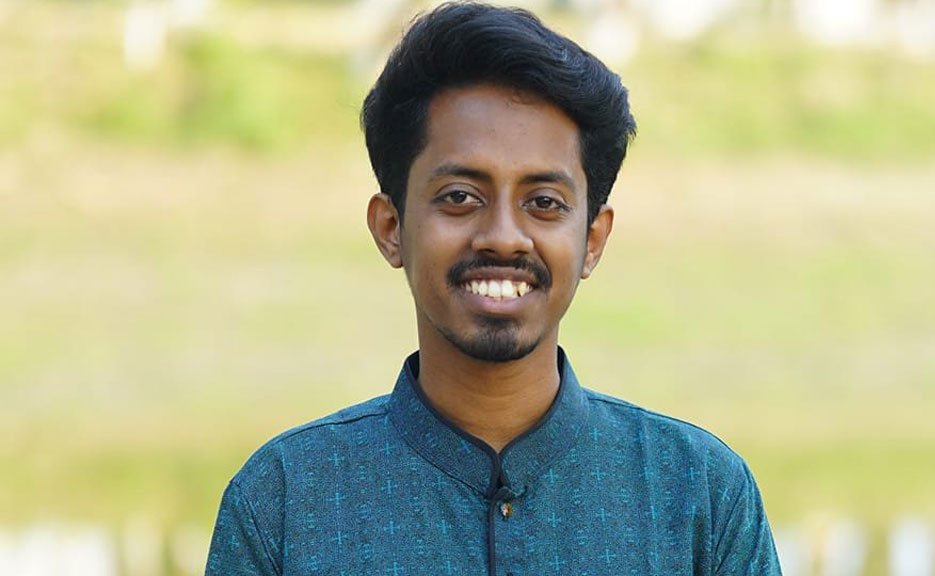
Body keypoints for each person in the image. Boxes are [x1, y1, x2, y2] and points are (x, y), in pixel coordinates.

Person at [204, 3, 781, 575]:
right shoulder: (284, 501)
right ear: (390, 227)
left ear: (593, 239)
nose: (504, 237)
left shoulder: (700, 494)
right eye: (460, 197)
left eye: (544, 202)